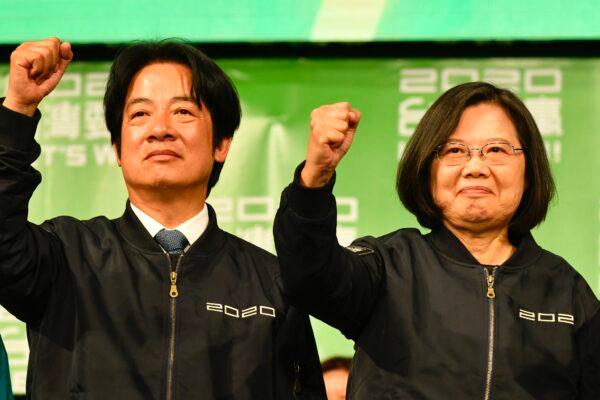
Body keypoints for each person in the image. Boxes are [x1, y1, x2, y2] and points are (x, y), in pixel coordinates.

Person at [0, 37, 325, 399]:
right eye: (139, 114)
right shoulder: (66, 257)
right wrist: (18, 107)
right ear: (117, 149)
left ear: (222, 144)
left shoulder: (272, 284)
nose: (160, 129)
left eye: (183, 111)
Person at [273, 82, 600, 399]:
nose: (475, 166)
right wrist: (315, 178)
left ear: (529, 170)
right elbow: (308, 277)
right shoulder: (389, 266)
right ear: (426, 168)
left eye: (496, 149)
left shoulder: (566, 292)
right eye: (455, 150)